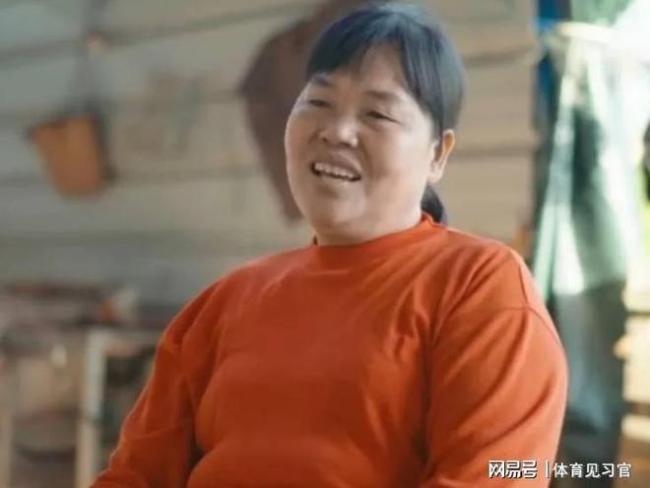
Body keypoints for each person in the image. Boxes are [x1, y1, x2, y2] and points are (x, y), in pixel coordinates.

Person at [92, 3, 567, 487]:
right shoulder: (223, 304)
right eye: (319, 102)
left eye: (378, 113)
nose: (337, 132)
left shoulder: (481, 291)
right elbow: (135, 476)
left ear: (437, 154)